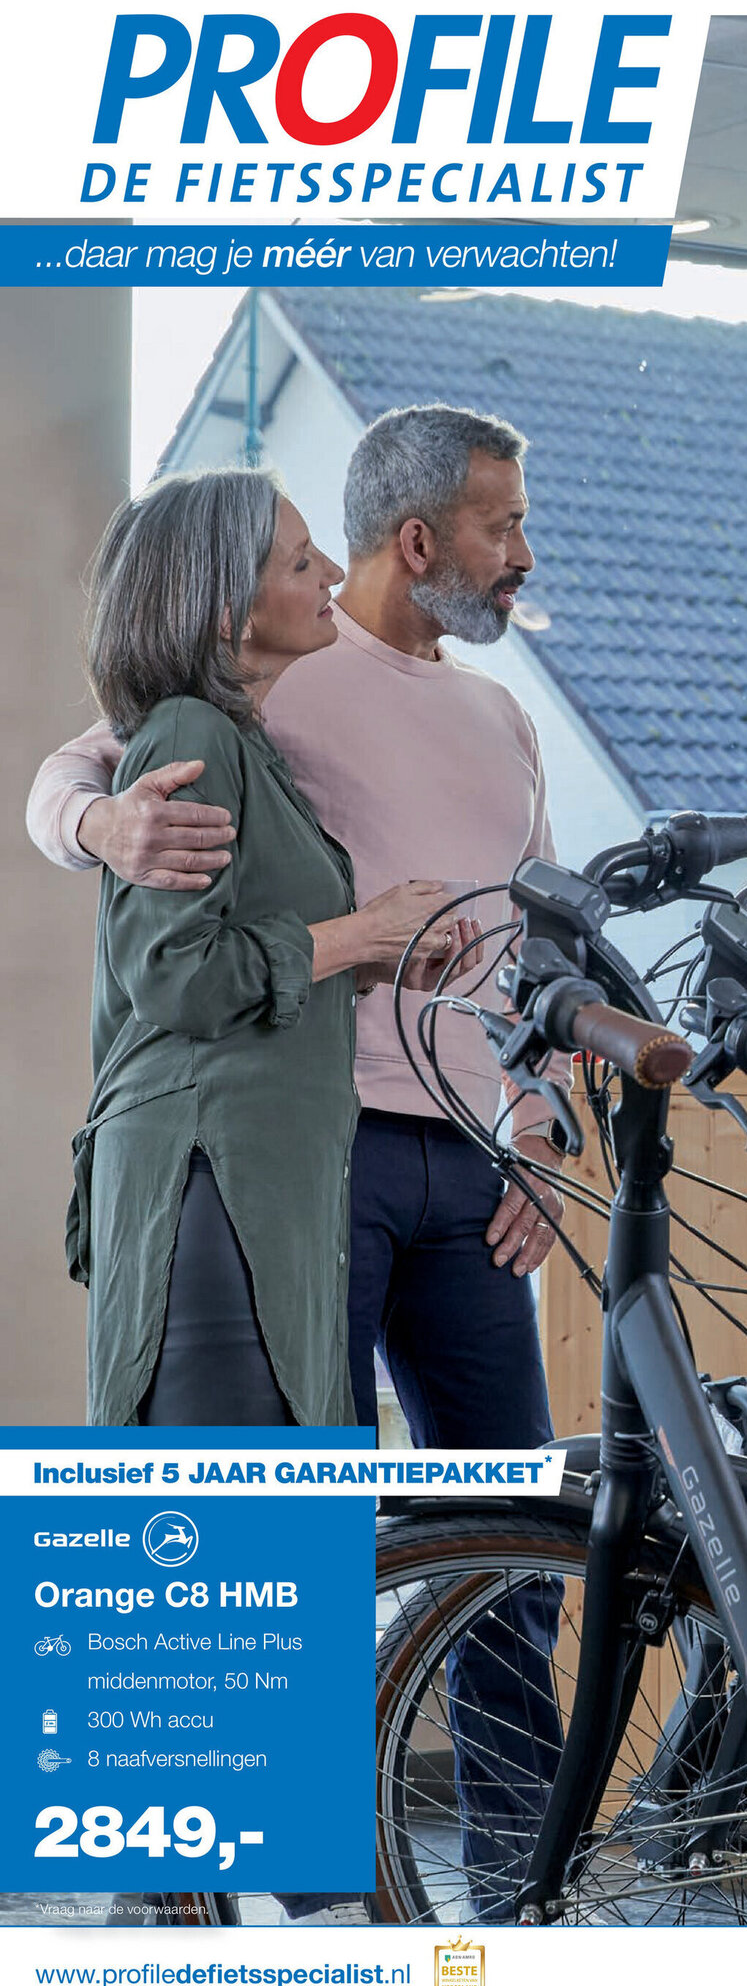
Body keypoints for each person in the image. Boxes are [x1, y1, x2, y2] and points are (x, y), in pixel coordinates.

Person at [30, 408, 568, 1920]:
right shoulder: (268, 679)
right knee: (286, 1526)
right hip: (307, 1144)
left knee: (512, 1524)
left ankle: (524, 1889)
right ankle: (256, 1891)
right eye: (502, 525)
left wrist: (539, 1121)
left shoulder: (503, 718)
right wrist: (101, 824)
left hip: (469, 1155)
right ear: (423, 538)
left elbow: (532, 943)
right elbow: (75, 781)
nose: (523, 554)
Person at [71, 468, 454, 1430]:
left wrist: (368, 962)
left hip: (261, 1184)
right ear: (224, 611)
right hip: (212, 1185)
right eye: (299, 561)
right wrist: (359, 932)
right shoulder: (189, 734)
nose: (333, 572)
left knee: (274, 1511)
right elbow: (178, 975)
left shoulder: (245, 747)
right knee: (227, 1515)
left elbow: (230, 955)